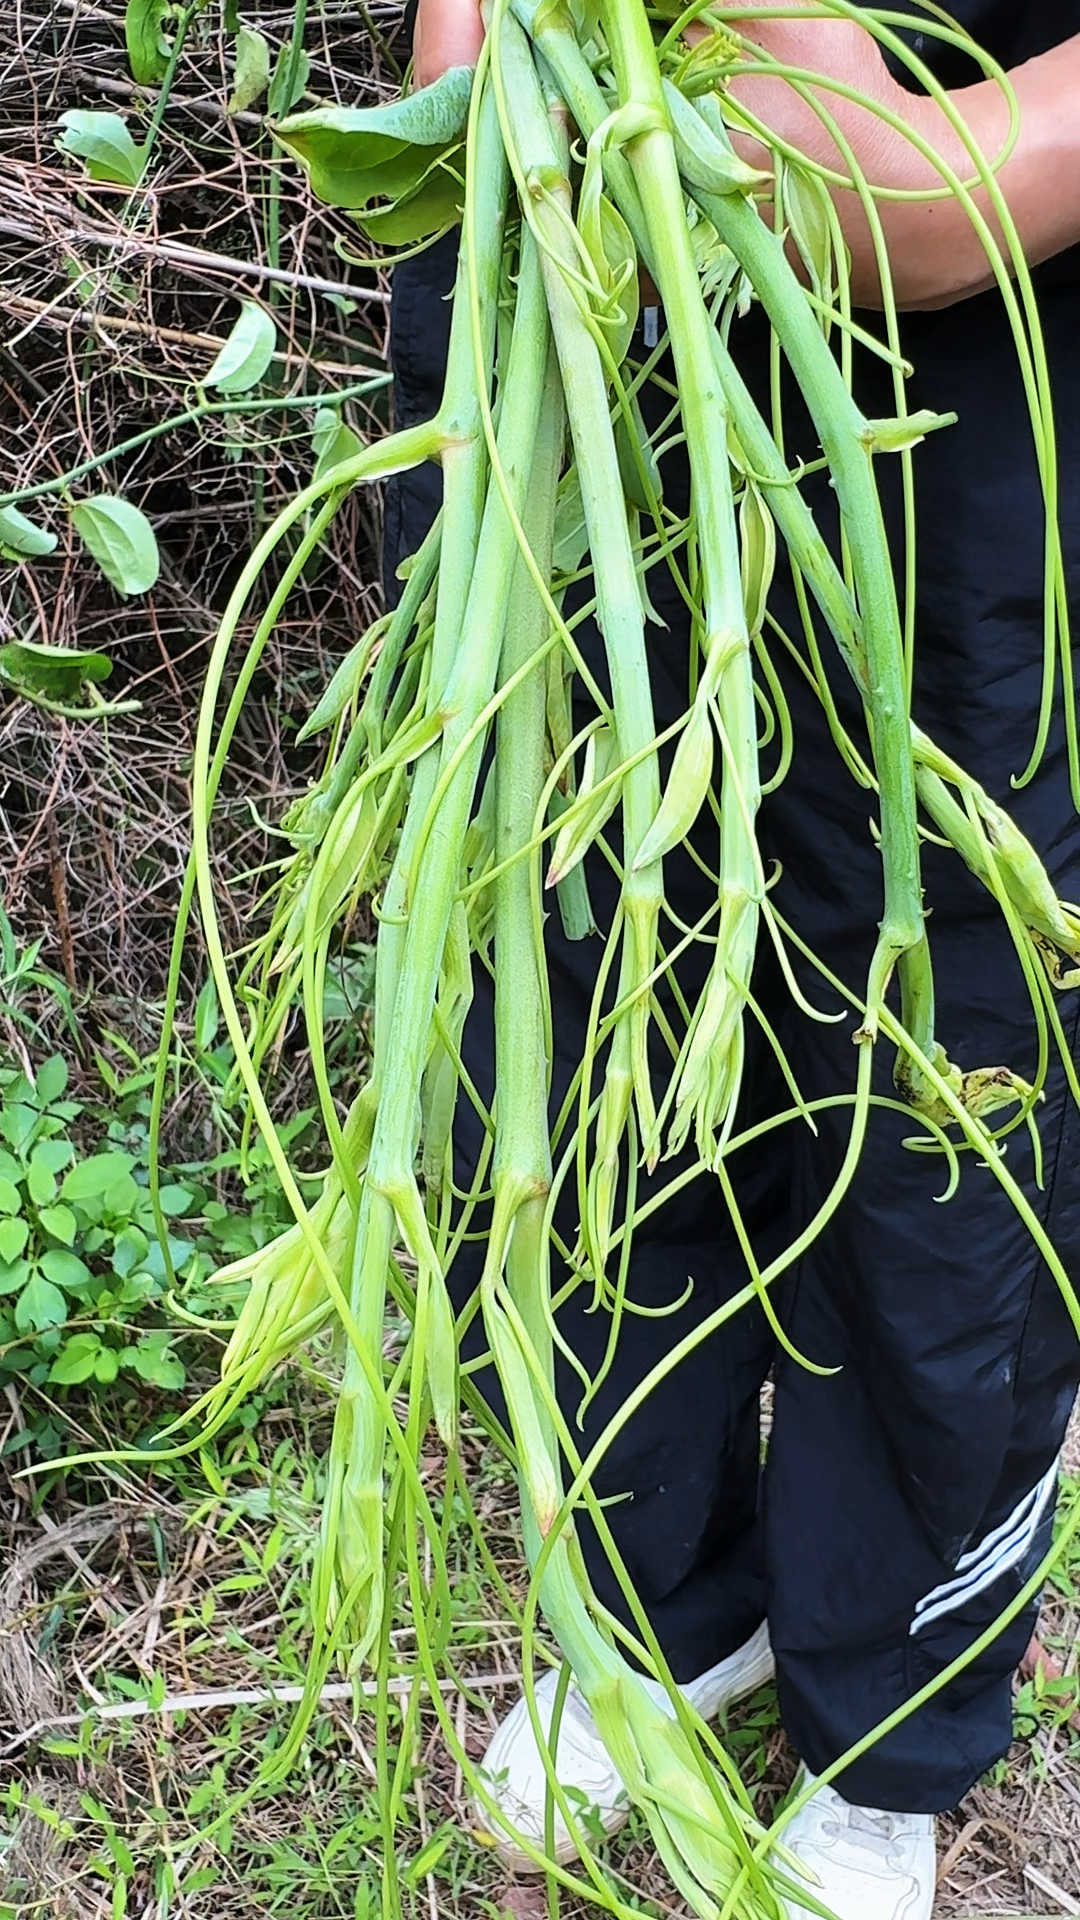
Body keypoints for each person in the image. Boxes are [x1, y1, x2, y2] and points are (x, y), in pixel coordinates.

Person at [384, 4, 1080, 1915]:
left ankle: (891, 1713)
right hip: (574, 258)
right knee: (583, 948)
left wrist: (972, 171)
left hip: (987, 325)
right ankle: (652, 1608)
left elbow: (942, 200)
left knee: (946, 1049)